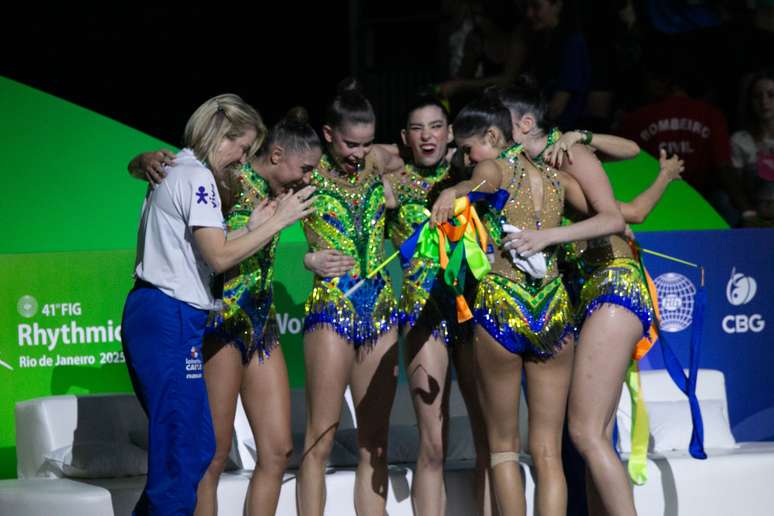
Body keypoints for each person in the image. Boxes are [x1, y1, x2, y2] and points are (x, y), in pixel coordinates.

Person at [429, 92, 624, 516]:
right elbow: (613, 214)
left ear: (494, 135)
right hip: (553, 310)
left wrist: (458, 189)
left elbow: (482, 183)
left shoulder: (491, 165)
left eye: (467, 147)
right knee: (548, 453)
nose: (465, 157)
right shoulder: (558, 176)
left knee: (502, 449)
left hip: (504, 306)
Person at [121, 93, 315, 515]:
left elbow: (208, 249)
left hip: (183, 313)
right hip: (171, 311)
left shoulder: (188, 173)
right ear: (219, 135)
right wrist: (279, 220)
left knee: (194, 445)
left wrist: (253, 225)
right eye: (241, 147)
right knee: (187, 449)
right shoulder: (198, 176)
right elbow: (220, 257)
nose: (242, 158)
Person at [496, 80, 660, 516]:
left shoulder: (566, 154)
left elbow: (612, 216)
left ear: (524, 124)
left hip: (613, 284)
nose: (492, 133)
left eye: (499, 124)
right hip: (588, 295)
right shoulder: (523, 170)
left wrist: (546, 236)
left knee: (585, 434)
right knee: (594, 440)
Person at [296, 78, 403, 516]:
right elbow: (252, 216)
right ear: (327, 134)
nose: (357, 153)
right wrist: (309, 261)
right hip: (332, 307)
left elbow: (407, 155)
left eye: (365, 143)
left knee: (374, 445)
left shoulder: (376, 163)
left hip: (380, 306)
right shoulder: (305, 176)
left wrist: (382, 159)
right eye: (349, 143)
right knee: (320, 437)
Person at [382, 94, 493, 516]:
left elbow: (498, 174)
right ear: (404, 138)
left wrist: (462, 188)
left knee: (487, 437)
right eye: (417, 128)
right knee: (433, 441)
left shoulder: (471, 170)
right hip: (423, 313)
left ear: (450, 133)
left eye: (435, 127)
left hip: (473, 309)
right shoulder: (391, 181)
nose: (426, 136)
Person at [731, 70, 774, 223]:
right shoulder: (740, 140)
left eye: (771, 95)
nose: (764, 102)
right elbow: (737, 190)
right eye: (758, 96)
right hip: (757, 218)